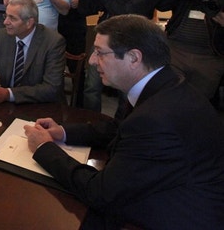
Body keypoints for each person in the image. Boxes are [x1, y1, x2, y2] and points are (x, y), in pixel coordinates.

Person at [23, 15, 224, 229]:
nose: (91, 60)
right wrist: (63, 132)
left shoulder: (155, 118)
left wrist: (44, 147)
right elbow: (119, 129)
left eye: (100, 52)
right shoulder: (165, 83)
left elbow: (100, 193)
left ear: (134, 58)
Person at [79, 0, 159, 115]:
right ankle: (90, 121)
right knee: (91, 87)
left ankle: (120, 126)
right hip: (103, 41)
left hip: (130, 45)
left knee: (126, 92)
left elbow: (127, 14)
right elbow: (86, 9)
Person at [157, 0, 224, 100]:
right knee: (166, 99)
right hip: (175, 51)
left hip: (210, 57)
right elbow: (162, 5)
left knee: (198, 104)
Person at [0, 0, 65, 104]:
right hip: (7, 106)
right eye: (6, 16)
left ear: (29, 22)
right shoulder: (2, 36)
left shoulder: (53, 42)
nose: (5, 22)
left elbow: (52, 88)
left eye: (12, 18)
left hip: (41, 106)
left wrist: (9, 94)